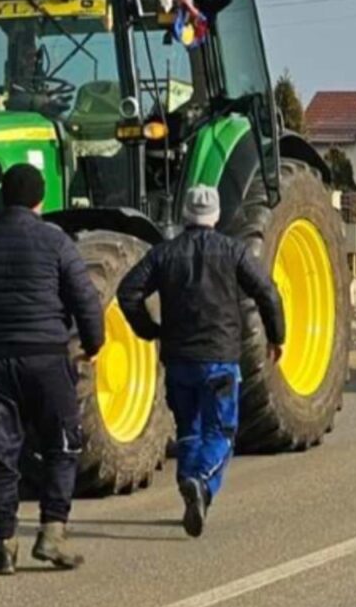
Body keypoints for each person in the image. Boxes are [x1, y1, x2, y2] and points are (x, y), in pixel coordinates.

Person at [0, 164, 104, 575]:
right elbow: (84, 297)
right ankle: (52, 533)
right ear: (40, 200)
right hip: (48, 359)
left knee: (0, 453)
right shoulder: (57, 242)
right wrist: (94, 343)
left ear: (2, 198)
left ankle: (4, 544)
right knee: (62, 445)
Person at [116, 185, 286, 538]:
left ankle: (192, 490)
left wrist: (149, 329)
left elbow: (127, 291)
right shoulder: (233, 251)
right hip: (220, 359)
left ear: (185, 215)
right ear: (216, 216)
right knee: (221, 431)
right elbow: (266, 292)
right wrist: (276, 336)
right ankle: (202, 479)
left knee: (188, 429)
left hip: (178, 360)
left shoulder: (164, 254)